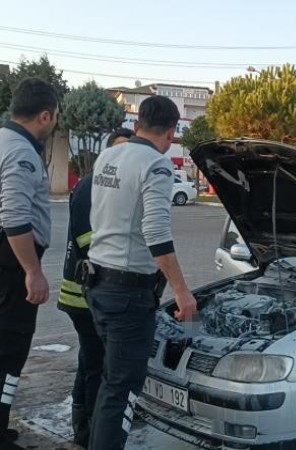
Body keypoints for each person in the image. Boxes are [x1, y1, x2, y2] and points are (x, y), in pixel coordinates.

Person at [85, 96, 197, 450]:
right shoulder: (156, 165)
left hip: (98, 284)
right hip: (128, 295)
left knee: (109, 384)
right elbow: (157, 233)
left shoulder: (108, 156)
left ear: (138, 125)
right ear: (170, 131)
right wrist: (181, 291)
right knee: (122, 392)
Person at [56, 127, 134, 446]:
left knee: (88, 361)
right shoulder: (93, 185)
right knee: (96, 366)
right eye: (121, 150)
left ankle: (82, 426)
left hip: (89, 294)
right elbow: (92, 242)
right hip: (85, 295)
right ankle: (89, 431)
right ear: (107, 152)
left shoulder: (107, 184)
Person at [0, 78, 58, 450]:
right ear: (44, 115)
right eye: (54, 118)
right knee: (10, 348)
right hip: (11, 265)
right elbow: (15, 217)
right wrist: (32, 272)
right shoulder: (21, 151)